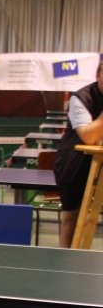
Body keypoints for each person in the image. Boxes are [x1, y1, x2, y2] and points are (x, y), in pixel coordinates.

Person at [54, 62, 103, 247]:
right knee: (72, 218)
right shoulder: (80, 98)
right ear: (98, 75)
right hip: (74, 161)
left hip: (100, 160)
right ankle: (66, 258)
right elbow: (88, 137)